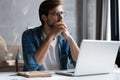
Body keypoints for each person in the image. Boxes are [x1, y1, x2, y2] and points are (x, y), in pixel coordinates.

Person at [22, 0, 79, 71]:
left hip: (60, 77)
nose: (61, 17)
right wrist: (51, 36)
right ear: (44, 18)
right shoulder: (29, 35)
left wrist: (69, 38)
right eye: (56, 14)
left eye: (61, 13)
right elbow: (31, 66)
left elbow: (79, 64)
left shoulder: (65, 36)